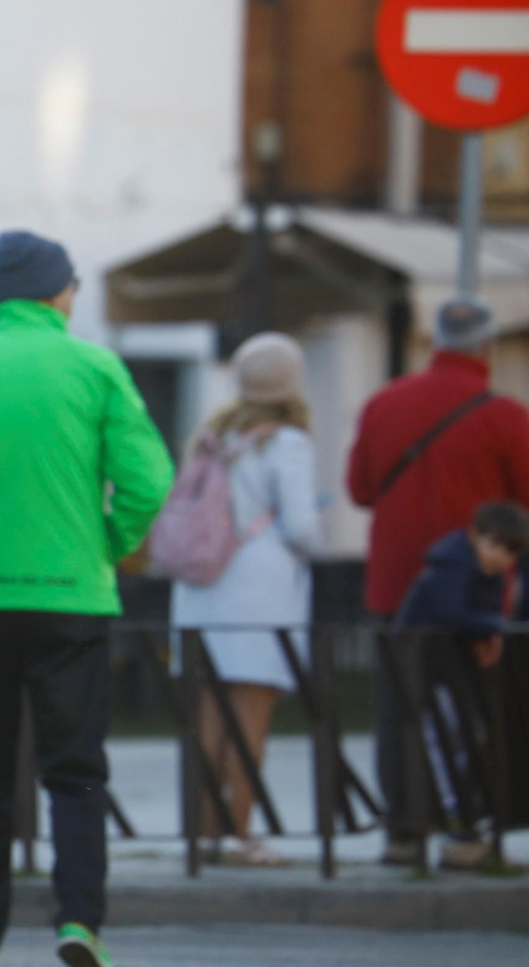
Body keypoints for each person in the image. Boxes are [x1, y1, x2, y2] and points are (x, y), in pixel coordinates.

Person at [0, 230, 173, 967]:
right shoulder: (95, 367)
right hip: (74, 597)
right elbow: (148, 481)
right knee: (75, 773)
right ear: (58, 292)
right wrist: (105, 543)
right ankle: (79, 924)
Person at [346, 298, 529, 865]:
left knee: (400, 710)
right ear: (487, 349)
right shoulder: (506, 417)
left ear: (433, 343)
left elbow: (360, 490)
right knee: (471, 714)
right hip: (471, 599)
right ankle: (465, 834)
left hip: (395, 591)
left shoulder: (382, 404)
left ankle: (403, 831)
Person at [170, 332, 321, 867]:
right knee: (251, 718)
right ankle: (240, 833)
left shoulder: (211, 435)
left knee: (209, 718)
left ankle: (206, 833)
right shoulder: (287, 443)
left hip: (200, 594)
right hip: (259, 600)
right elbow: (302, 527)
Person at [397, 500, 527, 870]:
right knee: (444, 743)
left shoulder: (486, 572)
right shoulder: (454, 565)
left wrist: (488, 632)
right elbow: (450, 613)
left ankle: (460, 815)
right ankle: (453, 818)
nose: (500, 556)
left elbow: (478, 616)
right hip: (427, 667)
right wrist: (491, 628)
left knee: (462, 739)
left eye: (509, 550)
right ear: (474, 536)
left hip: (448, 668)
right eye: (495, 545)